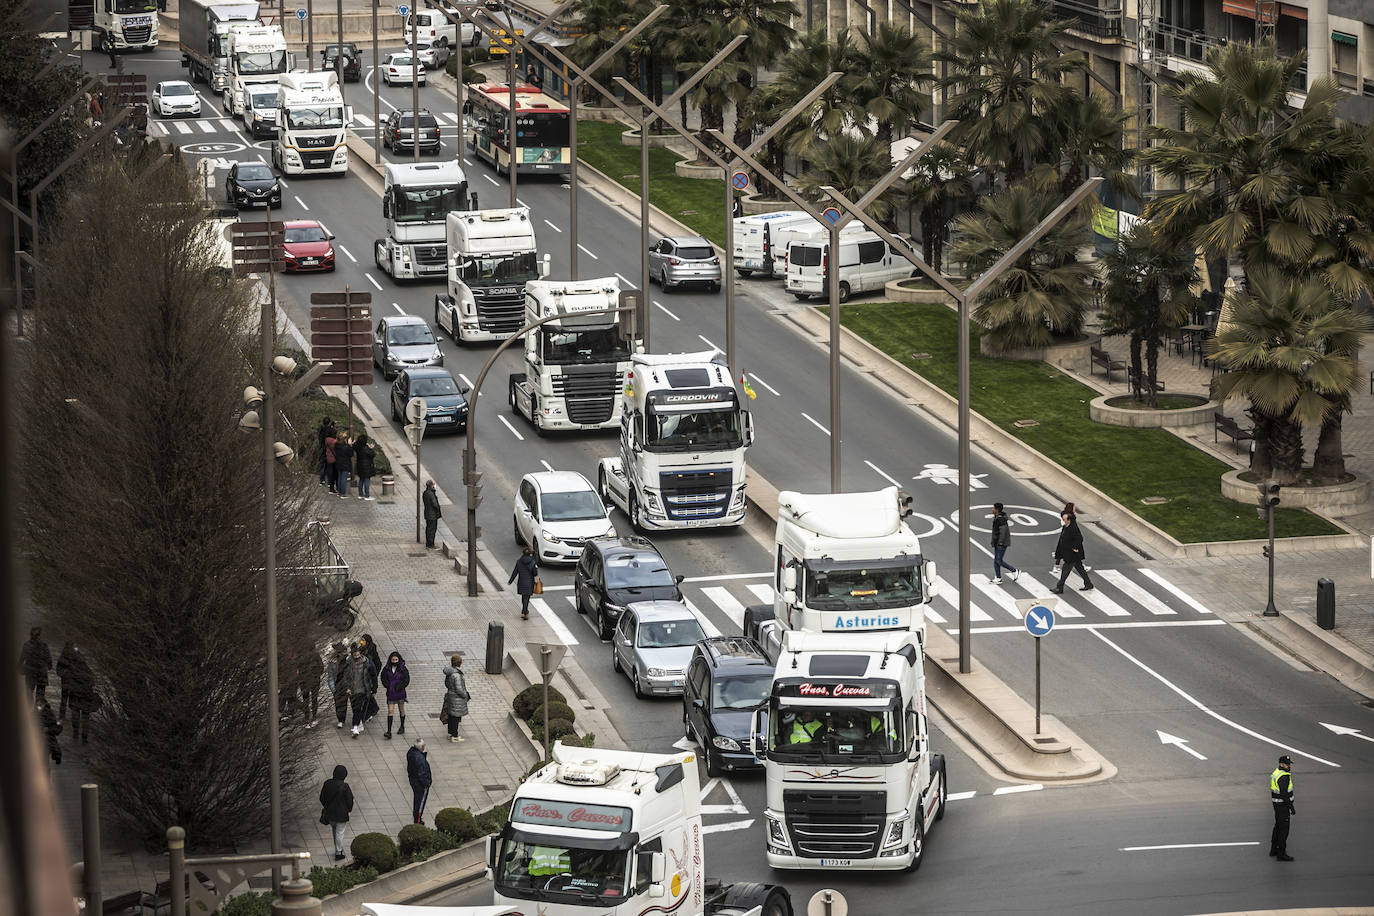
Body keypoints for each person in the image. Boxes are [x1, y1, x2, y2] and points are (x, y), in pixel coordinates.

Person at [1050, 511, 1093, 594]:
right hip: (1070, 553)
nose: (1062, 520)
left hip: (1071, 555)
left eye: (1064, 519)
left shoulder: (1073, 528)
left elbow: (1079, 538)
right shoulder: (1066, 526)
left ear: (1069, 520)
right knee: (1080, 569)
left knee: (1065, 571)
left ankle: (1059, 587)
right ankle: (1088, 584)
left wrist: (1075, 547)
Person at [319, 764, 354, 861]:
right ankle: (338, 852)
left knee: (335, 831)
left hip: (330, 814)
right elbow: (349, 800)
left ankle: (338, 849)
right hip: (341, 814)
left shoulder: (327, 783)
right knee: (340, 832)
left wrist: (326, 806)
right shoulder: (345, 786)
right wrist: (349, 809)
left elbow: (322, 798)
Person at [65, 649, 96, 744]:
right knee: (85, 718)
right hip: (85, 698)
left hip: (76, 698)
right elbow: (92, 683)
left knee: (75, 717)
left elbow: (68, 683)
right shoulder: (88, 670)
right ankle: (84, 737)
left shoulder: (73, 670)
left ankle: (76, 734)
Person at [345, 643, 375, 738]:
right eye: (355, 655)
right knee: (355, 708)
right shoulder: (348, 663)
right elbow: (345, 677)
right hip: (352, 690)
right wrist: (347, 688)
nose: (357, 657)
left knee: (358, 707)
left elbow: (371, 675)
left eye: (358, 655)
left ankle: (355, 727)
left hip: (362, 689)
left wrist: (372, 688)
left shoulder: (366, 662)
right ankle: (359, 723)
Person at [1270, 754, 1295, 861]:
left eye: (1289, 764)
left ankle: (1273, 849)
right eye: (1287, 764)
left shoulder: (1276, 772)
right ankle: (1281, 853)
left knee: (1278, 827)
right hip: (1283, 806)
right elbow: (1284, 794)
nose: (1289, 766)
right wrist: (1291, 807)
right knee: (1284, 830)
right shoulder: (1283, 777)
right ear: (1281, 764)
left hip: (1277, 805)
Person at [380, 651, 410, 739]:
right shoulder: (386, 668)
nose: (394, 661)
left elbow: (406, 680)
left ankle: (402, 726)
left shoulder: (403, 669)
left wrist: (399, 687)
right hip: (391, 693)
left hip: (400, 692)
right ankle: (389, 731)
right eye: (393, 659)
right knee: (390, 711)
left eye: (396, 659)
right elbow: (383, 678)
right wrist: (388, 686)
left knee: (401, 710)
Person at [443, 654, 470, 742]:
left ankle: (451, 733)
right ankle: (455, 735)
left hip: (451, 696)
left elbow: (446, 684)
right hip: (457, 699)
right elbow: (459, 689)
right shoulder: (457, 675)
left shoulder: (450, 673)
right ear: (459, 663)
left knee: (451, 716)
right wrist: (465, 695)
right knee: (455, 717)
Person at [990, 503, 1019, 585]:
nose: (992, 509)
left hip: (1001, 543)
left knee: (999, 560)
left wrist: (1000, 542)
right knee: (996, 560)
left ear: (997, 510)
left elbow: (1003, 531)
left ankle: (1014, 570)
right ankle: (998, 577)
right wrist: (993, 541)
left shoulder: (1001, 519)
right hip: (997, 542)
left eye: (993, 508)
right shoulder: (997, 518)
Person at [20, 627, 52, 700]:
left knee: (29, 694)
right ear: (40, 635)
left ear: (30, 634)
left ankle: (29, 709)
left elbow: (22, 658)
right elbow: (49, 659)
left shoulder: (27, 645)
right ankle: (38, 710)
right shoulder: (44, 645)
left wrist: (19, 668)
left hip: (30, 673)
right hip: (42, 674)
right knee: (40, 697)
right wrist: (49, 666)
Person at [406, 738, 433, 825]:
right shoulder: (419, 758)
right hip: (419, 784)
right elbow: (422, 773)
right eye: (423, 746)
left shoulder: (411, 753)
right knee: (420, 802)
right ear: (421, 747)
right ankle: (417, 820)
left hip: (413, 780)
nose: (424, 747)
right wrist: (426, 784)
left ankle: (417, 818)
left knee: (417, 800)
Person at [509, 547, 539, 620]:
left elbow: (515, 572)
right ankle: (524, 612)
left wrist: (510, 581)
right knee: (527, 598)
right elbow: (535, 573)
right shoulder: (532, 562)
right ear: (530, 554)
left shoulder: (519, 561)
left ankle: (524, 611)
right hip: (529, 582)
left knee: (523, 597)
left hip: (521, 582)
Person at [327, 643, 351, 729]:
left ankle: (342, 719)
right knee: (338, 703)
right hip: (337, 686)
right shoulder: (332, 663)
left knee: (344, 703)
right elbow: (330, 676)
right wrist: (333, 689)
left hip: (346, 685)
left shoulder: (349, 661)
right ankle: (340, 719)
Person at [55, 641, 78, 719]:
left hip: (70, 681)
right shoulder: (67, 657)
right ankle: (64, 717)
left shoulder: (73, 657)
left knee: (67, 700)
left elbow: (58, 670)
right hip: (69, 682)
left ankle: (64, 717)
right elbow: (58, 670)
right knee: (69, 701)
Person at [37, 696, 62, 765]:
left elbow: (57, 728)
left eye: (40, 705)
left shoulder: (50, 714)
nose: (39, 707)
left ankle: (57, 755)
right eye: (38, 705)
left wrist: (48, 729)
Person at [354, 434, 376, 500]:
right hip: (367, 467)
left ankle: (360, 494)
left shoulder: (357, 447)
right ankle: (367, 495)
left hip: (359, 466)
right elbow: (372, 454)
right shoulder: (365, 448)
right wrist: (371, 448)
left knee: (361, 480)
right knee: (367, 480)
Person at [318, 417, 336, 487]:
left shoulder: (321, 430)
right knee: (330, 466)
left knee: (322, 465)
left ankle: (322, 479)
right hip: (329, 450)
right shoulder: (330, 431)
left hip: (322, 448)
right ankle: (330, 481)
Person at [334, 433, 354, 499]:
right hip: (345, 463)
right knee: (343, 479)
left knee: (339, 477)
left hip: (338, 463)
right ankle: (343, 494)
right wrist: (350, 445)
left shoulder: (336, 445)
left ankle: (339, 492)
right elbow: (351, 454)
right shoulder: (345, 447)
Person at [422, 480, 441, 548]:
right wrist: (438, 507)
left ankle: (428, 543)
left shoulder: (425, 493)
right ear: (431, 485)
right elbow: (435, 504)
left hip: (427, 514)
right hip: (432, 515)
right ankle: (430, 544)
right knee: (432, 530)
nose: (434, 486)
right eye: (433, 484)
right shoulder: (431, 494)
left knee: (428, 528)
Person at [324, 427, 340, 494]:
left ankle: (331, 487)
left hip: (328, 458)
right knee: (336, 474)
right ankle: (336, 487)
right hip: (335, 459)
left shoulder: (326, 439)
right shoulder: (334, 442)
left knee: (330, 473)